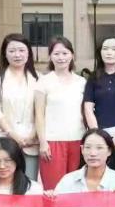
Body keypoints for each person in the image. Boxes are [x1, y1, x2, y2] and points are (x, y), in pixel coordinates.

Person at [35, 37, 87, 190]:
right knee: (54, 188)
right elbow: (39, 114)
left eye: (65, 53)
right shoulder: (44, 81)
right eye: (56, 54)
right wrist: (43, 142)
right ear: (50, 56)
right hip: (53, 141)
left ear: (72, 55)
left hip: (78, 139)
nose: (61, 57)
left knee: (76, 188)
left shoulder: (81, 82)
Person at [0, 33, 40, 180]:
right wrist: (13, 134)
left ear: (28, 52)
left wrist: (32, 135)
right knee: (2, 182)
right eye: (12, 51)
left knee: (28, 182)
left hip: (30, 141)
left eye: (21, 50)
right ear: (5, 54)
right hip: (3, 138)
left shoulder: (38, 78)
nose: (17, 55)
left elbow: (41, 111)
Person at [83, 36, 115, 176]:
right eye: (105, 49)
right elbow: (88, 108)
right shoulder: (93, 78)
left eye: (114, 49)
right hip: (99, 135)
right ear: (100, 52)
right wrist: (97, 135)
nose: (109, 52)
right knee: (98, 173)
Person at [54, 129, 115, 193]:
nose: (93, 153)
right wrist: (50, 199)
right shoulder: (68, 181)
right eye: (88, 147)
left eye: (99, 148)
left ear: (109, 151)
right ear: (82, 150)